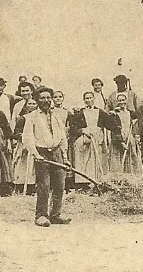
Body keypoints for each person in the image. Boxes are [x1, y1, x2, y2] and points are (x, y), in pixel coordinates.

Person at [19, 87, 71, 227]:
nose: (46, 100)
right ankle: (41, 215)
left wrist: (64, 156)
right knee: (44, 185)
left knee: (60, 185)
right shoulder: (32, 117)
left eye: (48, 97)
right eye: (42, 98)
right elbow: (28, 138)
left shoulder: (56, 116)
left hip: (57, 153)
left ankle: (56, 214)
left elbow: (62, 137)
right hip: (42, 154)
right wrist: (36, 154)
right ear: (37, 100)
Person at [69, 91, 116, 184]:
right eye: (87, 98)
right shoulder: (80, 113)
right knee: (84, 160)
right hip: (85, 139)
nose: (89, 100)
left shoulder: (100, 112)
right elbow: (73, 127)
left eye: (91, 98)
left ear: (94, 99)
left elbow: (111, 125)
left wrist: (113, 116)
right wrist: (82, 131)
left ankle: (98, 181)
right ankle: (83, 182)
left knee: (98, 160)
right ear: (84, 100)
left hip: (97, 139)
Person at [11, 88, 39, 192]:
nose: (31, 105)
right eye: (29, 104)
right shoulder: (23, 118)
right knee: (22, 164)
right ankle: (20, 186)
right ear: (26, 106)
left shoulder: (38, 117)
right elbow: (16, 132)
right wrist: (23, 136)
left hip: (35, 144)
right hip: (23, 144)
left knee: (33, 166)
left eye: (33, 104)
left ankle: (33, 186)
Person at [108, 91, 141, 174]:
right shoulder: (115, 114)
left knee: (131, 158)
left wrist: (134, 122)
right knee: (119, 159)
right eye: (119, 100)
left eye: (123, 100)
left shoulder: (130, 113)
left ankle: (131, 176)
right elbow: (114, 130)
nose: (121, 102)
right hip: (119, 140)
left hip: (129, 139)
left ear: (126, 101)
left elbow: (138, 119)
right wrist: (121, 142)